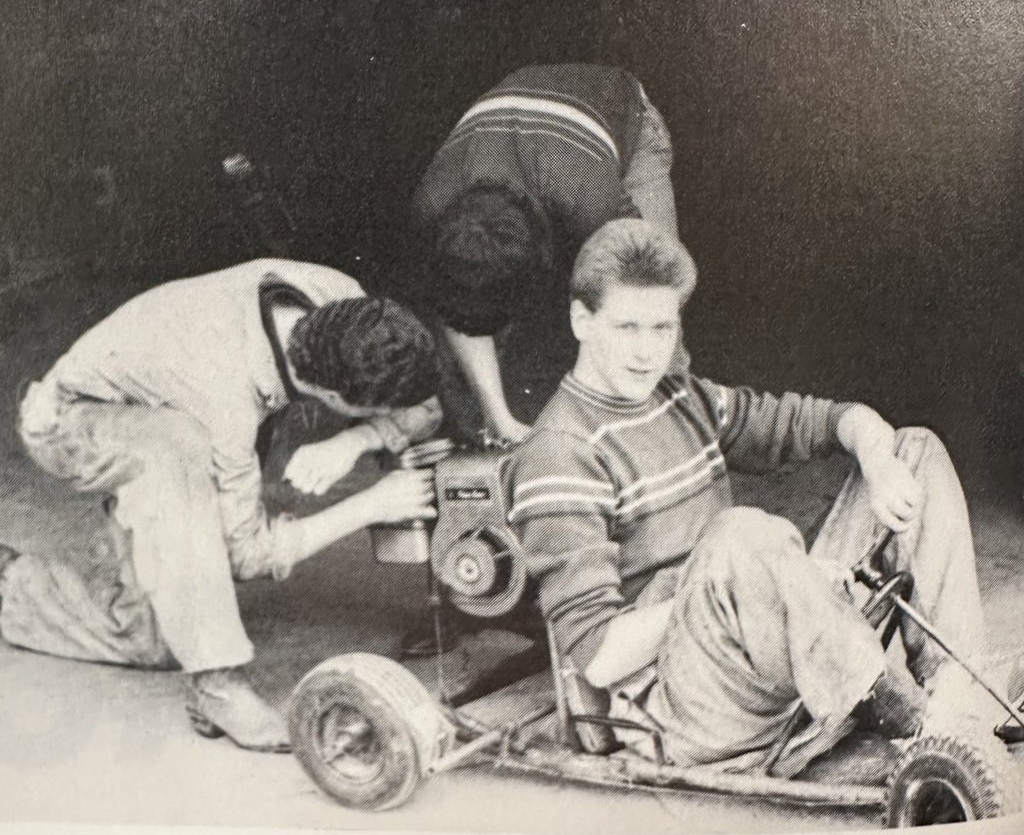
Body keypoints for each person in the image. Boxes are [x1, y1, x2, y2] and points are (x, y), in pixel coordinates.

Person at [506, 219, 987, 775]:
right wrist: (749, 587)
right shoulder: (558, 453)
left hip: (754, 650)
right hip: (679, 706)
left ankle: (958, 694)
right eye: (627, 328)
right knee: (740, 535)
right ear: (581, 320)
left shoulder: (682, 396)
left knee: (914, 451)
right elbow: (599, 658)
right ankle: (892, 705)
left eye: (662, 329)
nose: (646, 353)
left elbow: (816, 421)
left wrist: (876, 458)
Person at [0, 258, 441, 753]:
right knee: (178, 449)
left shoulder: (343, 302)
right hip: (72, 421)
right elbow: (247, 556)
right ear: (330, 392)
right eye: (371, 410)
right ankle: (216, 685)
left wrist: (355, 440)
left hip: (162, 389)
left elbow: (425, 409)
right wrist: (370, 505)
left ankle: (31, 582)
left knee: (150, 637)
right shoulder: (222, 402)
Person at [413, 63, 689, 444]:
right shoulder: (433, 204)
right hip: (531, 129)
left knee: (653, 305)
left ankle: (672, 440)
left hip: (621, 116)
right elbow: (454, 308)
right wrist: (501, 422)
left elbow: (666, 280)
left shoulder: (589, 201)